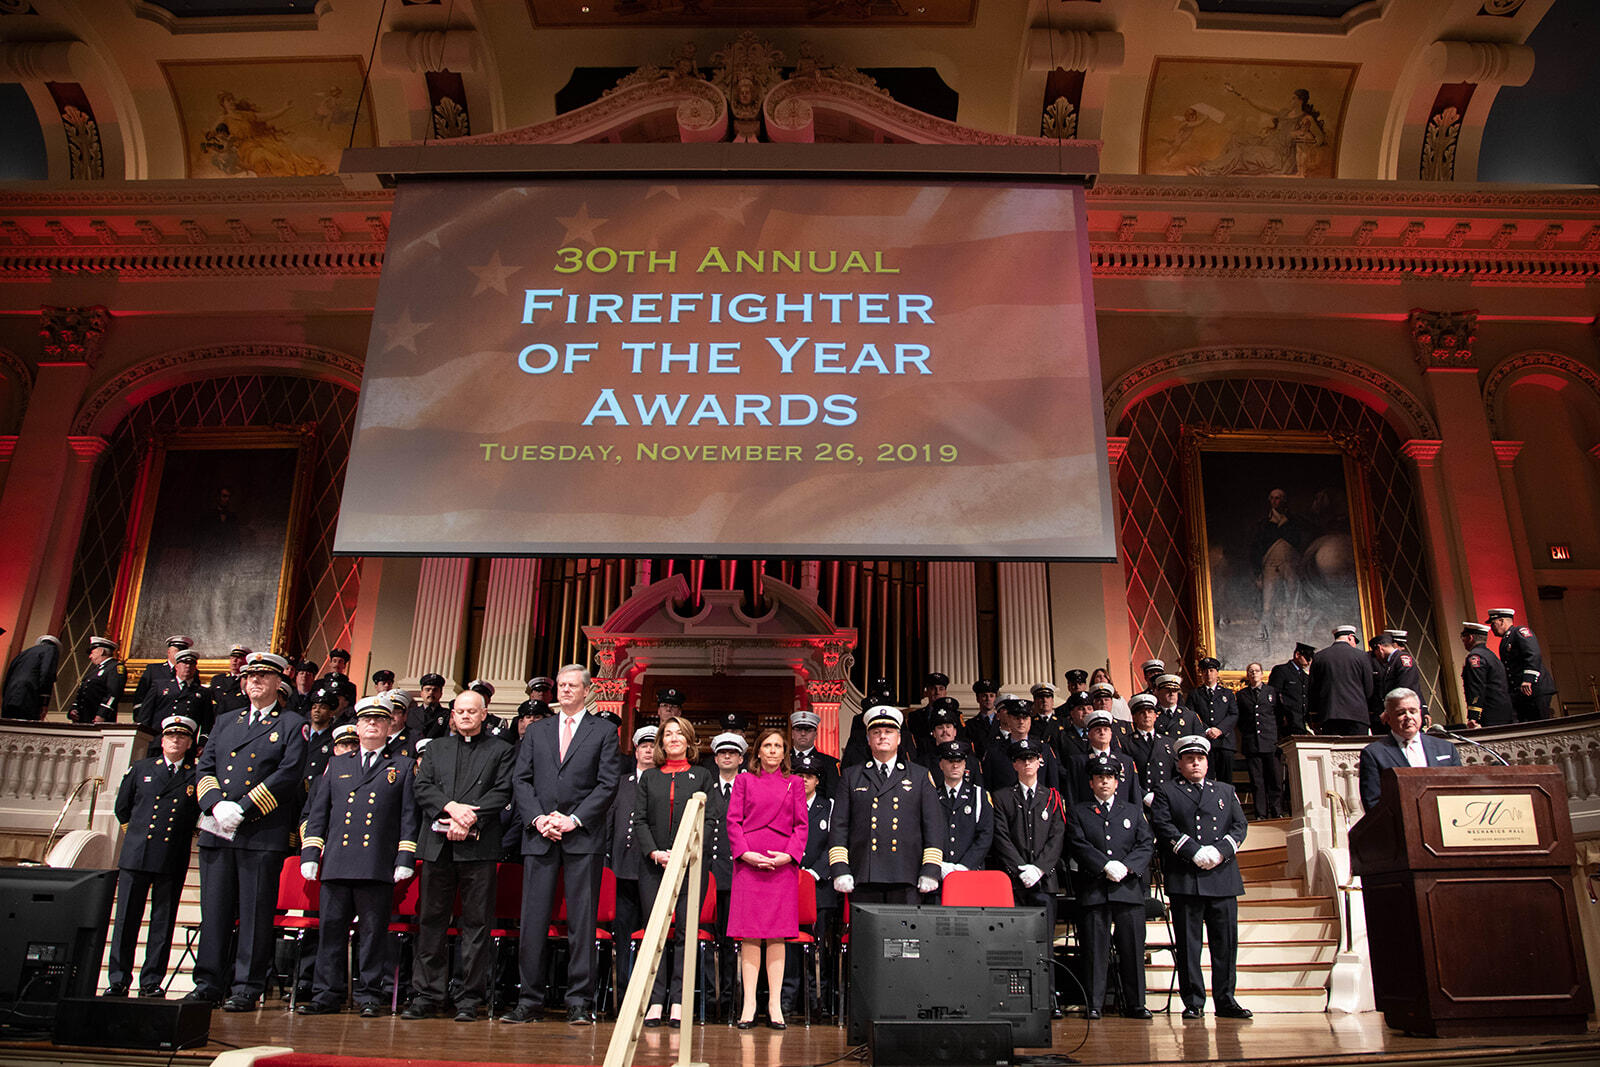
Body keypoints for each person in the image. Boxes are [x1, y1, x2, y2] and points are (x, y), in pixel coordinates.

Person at [188, 651, 306, 1012]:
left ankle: (246, 986)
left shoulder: (290, 723)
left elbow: (288, 773)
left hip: (259, 831)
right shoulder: (225, 721)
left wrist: (243, 807)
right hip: (218, 829)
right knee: (215, 911)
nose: (254, 681)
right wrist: (215, 805)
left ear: (276, 682)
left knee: (254, 915)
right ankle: (208, 982)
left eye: (262, 676)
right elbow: (204, 765)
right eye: (250, 676)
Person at [504, 664, 620, 1025]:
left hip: (582, 837)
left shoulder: (603, 732)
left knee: (581, 923)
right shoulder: (537, 731)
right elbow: (520, 781)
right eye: (562, 685)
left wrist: (572, 820)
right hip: (539, 835)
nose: (566, 690)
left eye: (573, 685)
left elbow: (607, 784)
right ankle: (529, 999)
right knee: (533, 920)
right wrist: (539, 818)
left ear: (587, 690)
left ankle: (579, 1002)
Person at [296, 700, 419, 1017]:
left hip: (376, 863)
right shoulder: (337, 764)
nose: (373, 725)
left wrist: (404, 856)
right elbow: (319, 813)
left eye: (380, 720)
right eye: (366, 720)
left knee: (372, 935)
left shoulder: (401, 766)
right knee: (331, 931)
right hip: (337, 861)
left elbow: (409, 817)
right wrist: (311, 852)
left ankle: (367, 994)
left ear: (390, 726)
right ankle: (327, 993)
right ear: (358, 726)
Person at [405, 689, 515, 1021]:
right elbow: (422, 787)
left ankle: (469, 998)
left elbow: (503, 790)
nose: (465, 716)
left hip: (479, 845)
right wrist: (451, 808)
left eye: (472, 711)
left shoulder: (502, 750)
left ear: (484, 714)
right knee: (431, 921)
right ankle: (427, 994)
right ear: (452, 714)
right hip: (438, 845)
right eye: (460, 711)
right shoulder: (436, 748)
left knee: (477, 924)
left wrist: (470, 818)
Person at [1150, 735, 1251, 1021]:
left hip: (1222, 876)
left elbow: (1239, 826)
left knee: (1225, 944)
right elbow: (1163, 826)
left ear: (1207, 762)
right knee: (1189, 945)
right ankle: (1193, 1001)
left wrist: (1219, 852)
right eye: (1190, 759)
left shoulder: (1225, 790)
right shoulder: (1167, 791)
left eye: (1201, 758)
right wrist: (1193, 851)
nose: (1196, 763)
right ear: (1179, 763)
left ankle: (1226, 999)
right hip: (1186, 877)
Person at [105, 714, 201, 997]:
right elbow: (123, 809)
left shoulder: (194, 777)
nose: (175, 740)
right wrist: (135, 836)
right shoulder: (141, 769)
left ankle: (150, 981)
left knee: (162, 921)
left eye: (182, 737)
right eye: (171, 735)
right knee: (126, 920)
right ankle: (118, 979)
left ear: (190, 743)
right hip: (137, 855)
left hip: (171, 855)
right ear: (162, 740)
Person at [633, 716, 713, 1027]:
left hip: (691, 866)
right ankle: (655, 1000)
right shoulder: (649, 778)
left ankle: (679, 1000)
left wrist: (684, 853)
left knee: (683, 933)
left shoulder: (702, 775)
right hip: (654, 865)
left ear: (690, 740)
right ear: (661, 742)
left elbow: (709, 820)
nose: (674, 738)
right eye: (668, 734)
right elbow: (639, 820)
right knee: (656, 933)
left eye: (680, 733)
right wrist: (654, 851)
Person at [727, 727, 807, 1030]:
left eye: (778, 746)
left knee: (777, 933)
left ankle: (774, 1004)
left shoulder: (795, 783)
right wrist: (745, 853)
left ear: (784, 752)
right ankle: (749, 1003)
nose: (773, 751)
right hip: (749, 864)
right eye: (767, 746)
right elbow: (733, 821)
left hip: (781, 865)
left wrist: (789, 855)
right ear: (757, 751)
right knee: (749, 933)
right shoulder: (744, 781)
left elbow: (802, 825)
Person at [1066, 752, 1155, 1020]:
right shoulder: (1078, 811)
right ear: (1091, 782)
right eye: (1099, 777)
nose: (1105, 782)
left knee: (1132, 948)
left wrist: (1126, 867)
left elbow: (1145, 843)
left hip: (1127, 889)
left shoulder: (1132, 810)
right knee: (1094, 949)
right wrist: (1104, 865)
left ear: (1117, 782)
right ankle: (1094, 1003)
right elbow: (1077, 843)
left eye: (1110, 777)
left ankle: (1136, 1003)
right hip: (1094, 888)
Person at [829, 706, 943, 905]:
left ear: (899, 739)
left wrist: (931, 869)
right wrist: (840, 868)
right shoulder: (852, 776)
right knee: (866, 935)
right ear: (868, 739)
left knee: (904, 935)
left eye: (889, 732)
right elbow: (839, 826)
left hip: (906, 872)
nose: (882, 736)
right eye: (876, 732)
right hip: (864, 872)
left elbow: (933, 826)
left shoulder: (919, 775)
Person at [990, 736, 1066, 1013]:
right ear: (1014, 764)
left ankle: (1048, 998)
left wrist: (1039, 868)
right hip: (1014, 881)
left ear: (1040, 762)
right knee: (1013, 942)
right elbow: (1001, 837)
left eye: (1032, 759)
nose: (1027, 763)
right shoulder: (1000, 797)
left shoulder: (1053, 797)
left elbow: (1057, 837)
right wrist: (1020, 868)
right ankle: (1015, 999)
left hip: (1044, 881)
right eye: (1022, 760)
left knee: (1044, 943)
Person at [607, 725, 656, 998]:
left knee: (650, 931)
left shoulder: (664, 781)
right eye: (644, 746)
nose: (648, 750)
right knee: (623, 930)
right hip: (622, 867)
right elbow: (609, 825)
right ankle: (625, 988)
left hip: (651, 869)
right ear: (635, 751)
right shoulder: (620, 783)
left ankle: (649, 990)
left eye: (652, 746)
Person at [1357, 688, 1462, 812]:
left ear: (1420, 713)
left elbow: (1461, 789)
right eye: (1401, 713)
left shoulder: (1446, 748)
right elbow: (1373, 803)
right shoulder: (1374, 754)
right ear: (1388, 718)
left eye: (1413, 711)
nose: (1409, 717)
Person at [704, 730, 745, 1020]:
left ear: (741, 758)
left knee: (732, 940)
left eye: (732, 753)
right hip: (708, 874)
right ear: (715, 758)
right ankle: (707, 997)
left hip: (737, 874)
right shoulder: (704, 789)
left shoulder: (748, 788)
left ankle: (731, 999)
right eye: (722, 753)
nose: (727, 757)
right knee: (705, 938)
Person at [932, 739, 992, 883]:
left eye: (959, 761)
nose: (955, 765)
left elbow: (985, 835)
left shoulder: (979, 795)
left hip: (971, 874)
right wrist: (939, 864)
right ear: (941, 764)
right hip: (939, 874)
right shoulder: (931, 795)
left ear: (965, 764)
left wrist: (965, 866)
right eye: (950, 760)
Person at [138, 648, 215, 752]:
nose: (188, 667)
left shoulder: (202, 692)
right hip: (158, 742)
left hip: (186, 744)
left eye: (192, 664)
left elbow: (207, 722)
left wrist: (202, 743)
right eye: (184, 663)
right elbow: (145, 715)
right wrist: (143, 738)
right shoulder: (159, 687)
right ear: (176, 666)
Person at [1488, 608, 1554, 722]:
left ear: (1502, 621)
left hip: (1534, 688)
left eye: (1493, 624)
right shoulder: (1506, 639)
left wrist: (1528, 679)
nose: (1491, 628)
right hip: (1522, 692)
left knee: (1540, 723)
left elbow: (1533, 653)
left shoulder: (1520, 632)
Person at [1235, 662, 1282, 819]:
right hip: (1252, 744)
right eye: (1250, 671)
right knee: (1257, 782)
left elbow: (1278, 716)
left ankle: (1277, 812)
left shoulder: (1272, 692)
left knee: (1274, 780)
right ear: (1248, 675)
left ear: (1262, 674)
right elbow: (1240, 720)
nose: (1254, 673)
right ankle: (1261, 813)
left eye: (1256, 671)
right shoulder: (1242, 695)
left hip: (1271, 742)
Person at [1308, 625, 1374, 735]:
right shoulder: (1362, 656)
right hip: (1357, 714)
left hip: (1329, 714)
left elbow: (1314, 689)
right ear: (1350, 637)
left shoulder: (1320, 657)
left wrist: (1315, 716)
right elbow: (1369, 687)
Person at [1186, 657, 1238, 783]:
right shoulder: (1195, 694)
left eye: (1211, 670)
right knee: (1206, 780)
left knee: (1225, 781)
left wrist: (1219, 730)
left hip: (1224, 742)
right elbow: (1191, 716)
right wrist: (1207, 730)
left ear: (1217, 673)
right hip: (1204, 742)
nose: (1208, 674)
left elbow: (1233, 714)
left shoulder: (1228, 693)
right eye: (1205, 671)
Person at [1123, 693, 1176, 808]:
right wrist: (1144, 795)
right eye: (1142, 712)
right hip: (1139, 801)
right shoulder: (1126, 743)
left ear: (1156, 716)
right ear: (1134, 717)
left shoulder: (1169, 743)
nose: (1147, 715)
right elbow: (1126, 776)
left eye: (1150, 712)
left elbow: (1176, 774)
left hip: (1166, 801)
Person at [1460, 621, 1515, 728]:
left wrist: (1474, 716)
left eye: (1463, 637)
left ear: (1470, 638)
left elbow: (1476, 687)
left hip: (1489, 714)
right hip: (1504, 711)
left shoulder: (1475, 657)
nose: (1463, 641)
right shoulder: (1490, 655)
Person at [1370, 631, 1422, 731]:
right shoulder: (1391, 662)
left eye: (1375, 653)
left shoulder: (1402, 659)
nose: (1376, 657)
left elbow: (1404, 688)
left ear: (1380, 648)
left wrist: (1388, 711)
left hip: (1407, 714)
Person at [1, 634, 62, 720]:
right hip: (29, 697)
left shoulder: (24, 653)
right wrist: (44, 703)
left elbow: (8, 676)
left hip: (9, 697)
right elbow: (47, 674)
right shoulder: (51, 650)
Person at [69, 635, 124, 723]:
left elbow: (113, 693)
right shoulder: (94, 670)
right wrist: (74, 708)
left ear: (101, 651)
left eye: (92, 653)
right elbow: (82, 691)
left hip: (97, 719)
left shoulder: (115, 667)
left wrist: (102, 714)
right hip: (83, 717)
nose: (90, 656)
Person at [788, 709, 840, 799]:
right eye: (799, 730)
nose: (803, 733)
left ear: (816, 735)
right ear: (792, 734)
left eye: (808, 730)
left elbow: (833, 796)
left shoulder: (830, 763)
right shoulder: (782, 760)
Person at [131, 635, 190, 711]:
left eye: (182, 652)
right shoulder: (154, 670)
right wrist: (139, 714)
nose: (179, 655)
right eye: (177, 651)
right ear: (168, 652)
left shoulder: (191, 672)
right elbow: (141, 694)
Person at [1152, 675, 1204, 739]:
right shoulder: (1152, 716)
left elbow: (1199, 739)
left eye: (1175, 690)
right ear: (1158, 692)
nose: (1172, 694)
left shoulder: (1190, 716)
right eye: (1168, 690)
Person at [210, 644, 251, 716]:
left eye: (238, 658)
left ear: (246, 661)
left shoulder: (248, 680)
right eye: (232, 657)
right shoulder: (218, 679)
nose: (234, 661)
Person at [964, 678, 1000, 758]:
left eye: (991, 696)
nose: (988, 699)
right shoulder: (969, 725)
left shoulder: (1002, 722)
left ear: (995, 698)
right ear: (977, 698)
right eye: (984, 696)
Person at [412, 672, 451, 739]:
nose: (431, 692)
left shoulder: (448, 715)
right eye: (428, 690)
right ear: (421, 693)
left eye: (435, 690)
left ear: (441, 694)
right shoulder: (411, 713)